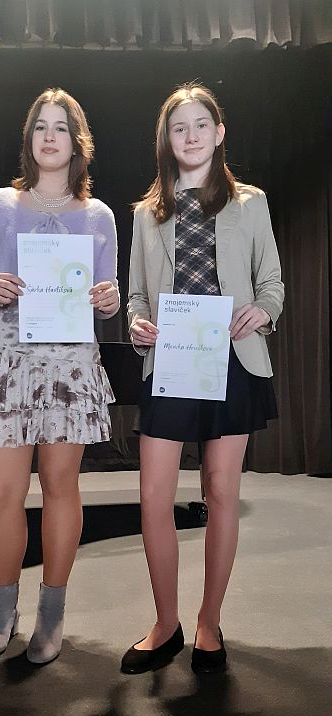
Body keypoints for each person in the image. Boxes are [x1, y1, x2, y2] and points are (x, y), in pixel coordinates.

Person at [122, 83, 284, 675]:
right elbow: (137, 296)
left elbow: (272, 283)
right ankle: (165, 624)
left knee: (220, 492)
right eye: (178, 127)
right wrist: (137, 323)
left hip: (233, 361)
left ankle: (209, 622)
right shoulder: (145, 214)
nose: (189, 136)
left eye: (199, 125)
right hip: (170, 361)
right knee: (153, 496)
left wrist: (264, 311)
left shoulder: (251, 204)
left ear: (219, 133)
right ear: (166, 140)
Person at [0, 88, 120, 664]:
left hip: (71, 366)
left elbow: (108, 292)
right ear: (28, 140)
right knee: (3, 494)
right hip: (12, 362)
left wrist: (109, 299)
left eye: (61, 127)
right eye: (40, 127)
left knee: (60, 488)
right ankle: (3, 611)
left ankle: (51, 616)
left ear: (78, 142)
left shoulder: (99, 215)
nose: (50, 137)